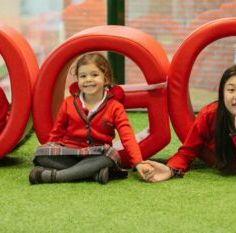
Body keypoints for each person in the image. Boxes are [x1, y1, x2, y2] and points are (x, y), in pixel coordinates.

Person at [29, 52, 154, 185]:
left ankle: (57, 176)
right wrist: (50, 145)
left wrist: (138, 162)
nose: (88, 79)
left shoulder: (115, 107)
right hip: (70, 152)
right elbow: (57, 131)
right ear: (78, 80)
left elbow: (127, 136)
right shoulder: (69, 102)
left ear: (106, 79)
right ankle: (94, 173)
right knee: (41, 153)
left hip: (97, 154)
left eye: (94, 75)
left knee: (110, 155)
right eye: (83, 76)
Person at [144, 64, 236, 181]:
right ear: (222, 94)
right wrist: (170, 169)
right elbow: (187, 152)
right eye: (231, 90)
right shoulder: (209, 115)